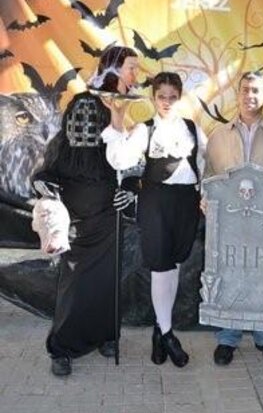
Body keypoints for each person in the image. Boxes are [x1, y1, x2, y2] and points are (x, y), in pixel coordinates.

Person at [32, 45, 139, 376]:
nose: (136, 74)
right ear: (114, 68)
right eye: (131, 67)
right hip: (80, 209)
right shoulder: (86, 104)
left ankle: (106, 336)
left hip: (110, 211)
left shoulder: (125, 104)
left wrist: (130, 187)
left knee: (107, 279)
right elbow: (78, 158)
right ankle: (62, 348)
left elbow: (130, 158)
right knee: (75, 279)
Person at [101, 71, 206, 368]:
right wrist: (117, 119)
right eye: (162, 97)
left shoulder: (193, 129)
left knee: (174, 265)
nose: (167, 102)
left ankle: (159, 331)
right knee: (161, 268)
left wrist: (205, 194)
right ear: (153, 97)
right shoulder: (144, 130)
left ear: (180, 97)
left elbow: (204, 164)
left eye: (173, 97)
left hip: (186, 202)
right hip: (156, 202)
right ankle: (169, 337)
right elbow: (119, 160)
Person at [204, 71, 263, 366]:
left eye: (256, 90)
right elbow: (209, 175)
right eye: (245, 89)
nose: (250, 96)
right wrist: (205, 198)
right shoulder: (218, 136)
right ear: (238, 94)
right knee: (229, 271)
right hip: (229, 223)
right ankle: (227, 338)